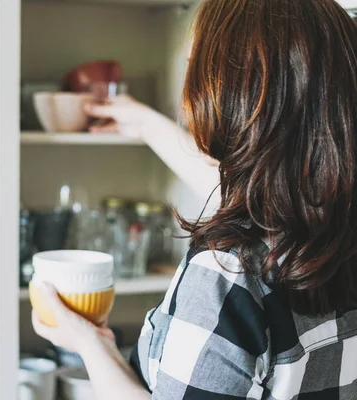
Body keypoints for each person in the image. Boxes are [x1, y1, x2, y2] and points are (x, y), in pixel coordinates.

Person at [32, 0, 357, 398]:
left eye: (197, 69)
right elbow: (260, 194)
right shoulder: (332, 227)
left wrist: (90, 344)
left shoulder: (226, 276)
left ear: (232, 95)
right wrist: (147, 124)